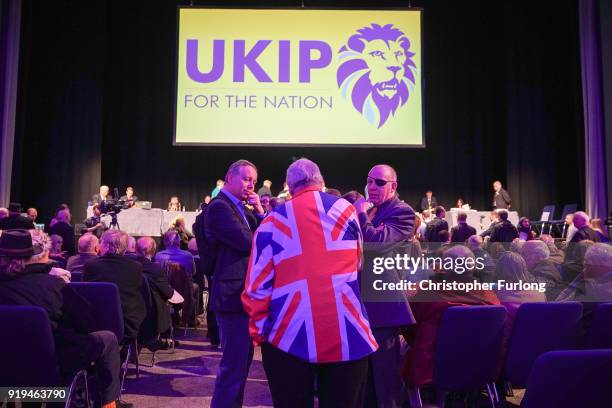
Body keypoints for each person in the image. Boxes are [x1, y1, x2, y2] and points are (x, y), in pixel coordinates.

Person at [243, 158, 377, 407]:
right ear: (321, 182)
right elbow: (358, 263)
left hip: (288, 337)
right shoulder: (346, 210)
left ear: (290, 187)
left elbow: (256, 288)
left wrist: (260, 333)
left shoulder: (271, 222)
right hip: (348, 333)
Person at [0, 229, 126, 408]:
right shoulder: (55, 286)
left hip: (5, 376)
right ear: (31, 257)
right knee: (107, 338)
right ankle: (108, 404)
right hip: (48, 379)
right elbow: (87, 323)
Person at [352, 164, 415, 407]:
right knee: (365, 382)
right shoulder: (371, 210)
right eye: (369, 181)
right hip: (361, 303)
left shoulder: (402, 212)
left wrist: (359, 214)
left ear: (393, 186)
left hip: (382, 307)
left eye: (379, 182)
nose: (371, 187)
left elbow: (375, 243)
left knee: (384, 382)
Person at [205, 159, 265, 408]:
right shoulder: (220, 207)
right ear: (230, 177)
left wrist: (260, 210)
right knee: (233, 369)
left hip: (242, 296)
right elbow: (249, 243)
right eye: (246, 178)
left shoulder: (242, 208)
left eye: (254, 180)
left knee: (240, 367)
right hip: (231, 297)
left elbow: (261, 235)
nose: (250, 185)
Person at [402, 246, 499, 389]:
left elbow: (409, 326)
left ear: (444, 267)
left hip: (432, 366)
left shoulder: (429, 293)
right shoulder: (490, 297)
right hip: (479, 363)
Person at [83, 230, 146, 341]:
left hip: (95, 323)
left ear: (106, 245)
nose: (99, 245)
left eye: (101, 242)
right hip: (127, 325)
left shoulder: (91, 266)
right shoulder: (136, 267)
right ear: (125, 248)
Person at [192, 201, 220, 348]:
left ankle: (213, 333)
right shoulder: (209, 220)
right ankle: (216, 334)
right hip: (216, 262)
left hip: (207, 262)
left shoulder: (198, 221)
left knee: (213, 299)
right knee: (217, 299)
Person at [135, 237, 175, 342]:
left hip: (132, 312)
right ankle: (165, 339)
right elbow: (168, 294)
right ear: (153, 251)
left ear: (135, 249)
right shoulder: (155, 270)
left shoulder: (127, 266)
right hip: (152, 315)